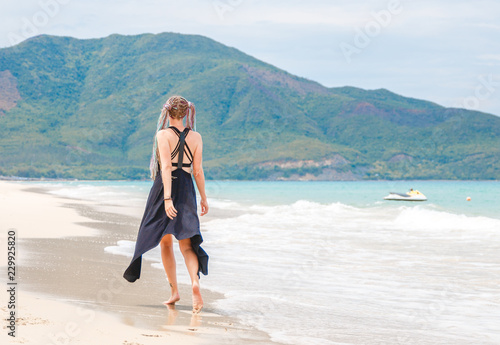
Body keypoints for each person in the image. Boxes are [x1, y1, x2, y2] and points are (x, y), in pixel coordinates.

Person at [123, 95, 209, 313]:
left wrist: (168, 198)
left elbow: (167, 168)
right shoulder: (196, 137)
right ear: (186, 113)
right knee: (187, 244)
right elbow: (197, 171)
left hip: (165, 189)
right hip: (187, 188)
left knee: (165, 242)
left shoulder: (163, 135)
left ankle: (174, 292)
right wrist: (204, 198)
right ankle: (194, 283)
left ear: (168, 113)